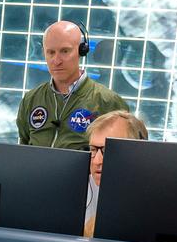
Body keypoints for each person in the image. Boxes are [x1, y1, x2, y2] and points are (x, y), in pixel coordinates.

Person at [17, 20, 128, 150]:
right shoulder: (31, 99)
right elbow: (23, 148)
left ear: (82, 50)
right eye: (51, 52)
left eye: (64, 51)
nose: (57, 61)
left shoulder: (108, 102)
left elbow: (122, 155)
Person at [83, 110, 148, 237]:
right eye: (93, 150)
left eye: (108, 150)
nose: (97, 161)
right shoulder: (76, 188)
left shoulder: (155, 199)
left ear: (138, 152)